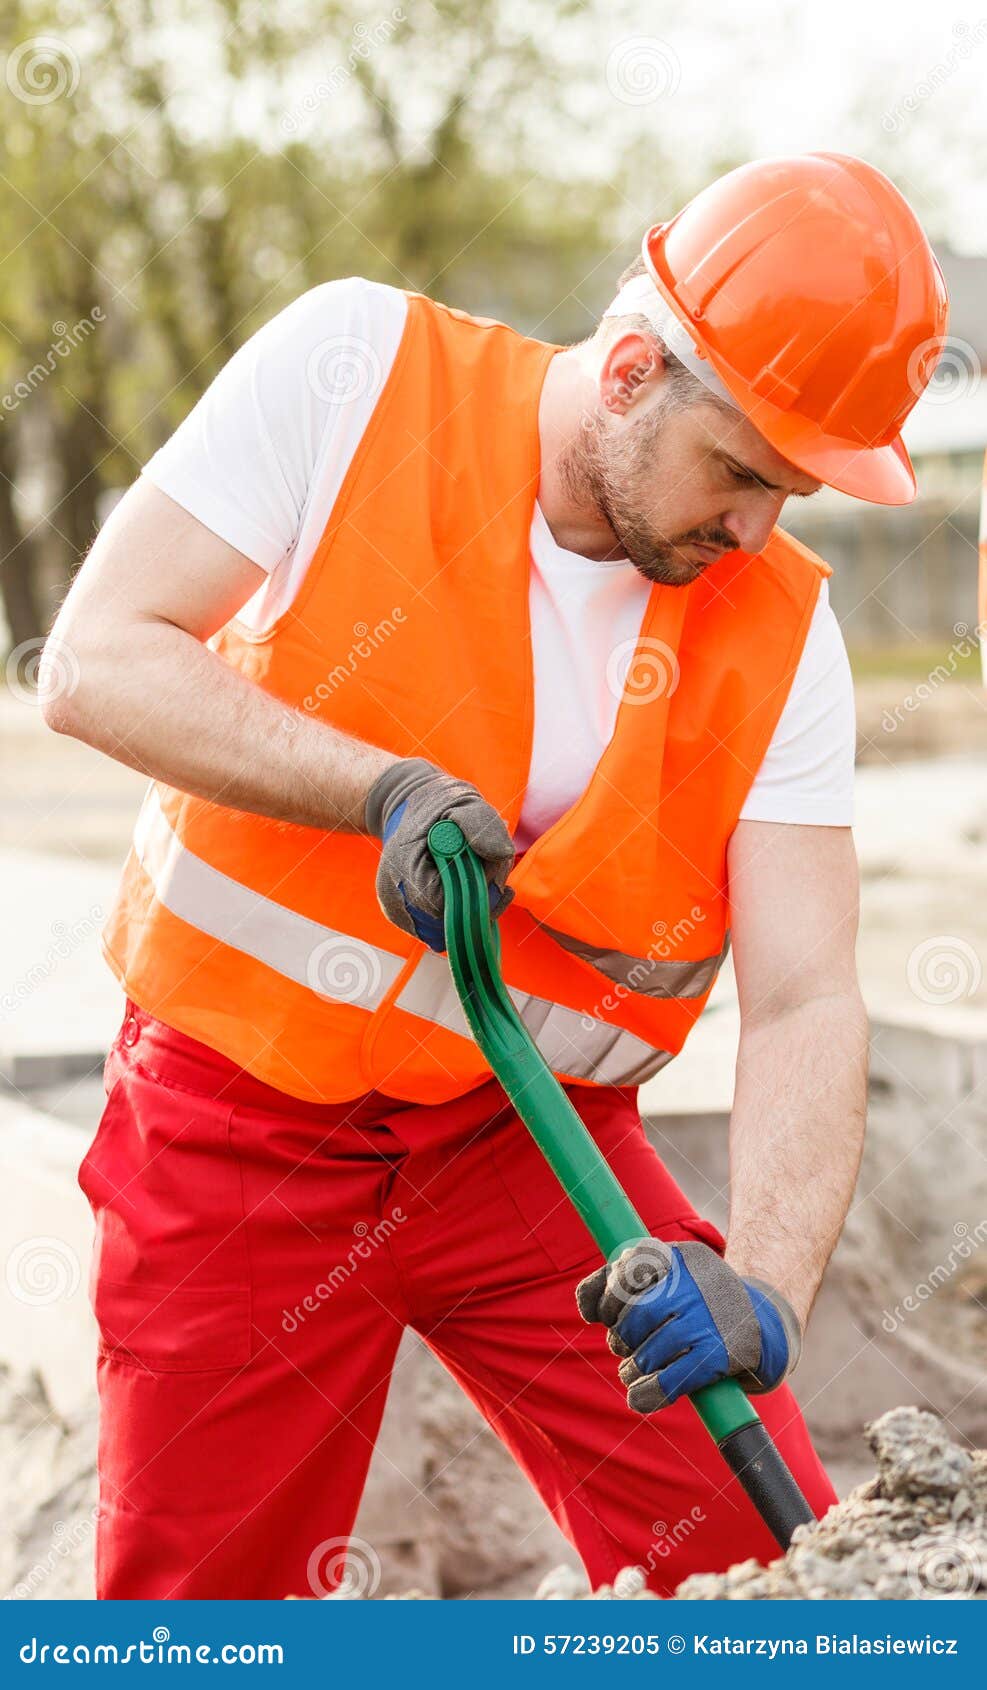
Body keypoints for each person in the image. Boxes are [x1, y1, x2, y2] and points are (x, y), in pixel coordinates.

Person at [43, 152, 948, 1598]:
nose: (758, 531)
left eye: (794, 492)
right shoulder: (356, 374)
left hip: (531, 1143)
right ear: (636, 368)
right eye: (741, 472)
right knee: (202, 1615)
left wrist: (763, 1289)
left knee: (764, 1564)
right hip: (237, 1132)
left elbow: (803, 998)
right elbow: (95, 660)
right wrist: (374, 787)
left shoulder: (785, 643)